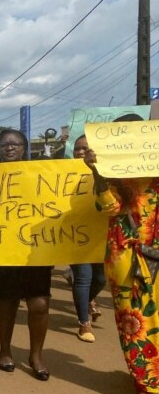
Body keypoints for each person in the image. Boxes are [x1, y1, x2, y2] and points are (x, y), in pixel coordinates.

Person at [84, 114, 159, 394]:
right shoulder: (111, 176)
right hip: (125, 259)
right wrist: (97, 172)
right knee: (134, 323)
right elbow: (108, 207)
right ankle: (144, 387)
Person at [0, 129, 52, 381]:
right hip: (4, 249)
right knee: (8, 301)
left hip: (34, 249)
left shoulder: (40, 174)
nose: (9, 148)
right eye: (4, 144)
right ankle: (4, 351)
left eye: (15, 144)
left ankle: (36, 355)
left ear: (24, 148)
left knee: (39, 304)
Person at [68, 135, 106, 343]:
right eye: (77, 148)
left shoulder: (105, 172)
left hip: (99, 233)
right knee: (83, 276)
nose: (81, 152)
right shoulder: (61, 172)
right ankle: (84, 323)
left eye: (85, 148)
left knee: (100, 278)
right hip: (74, 233)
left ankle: (89, 299)